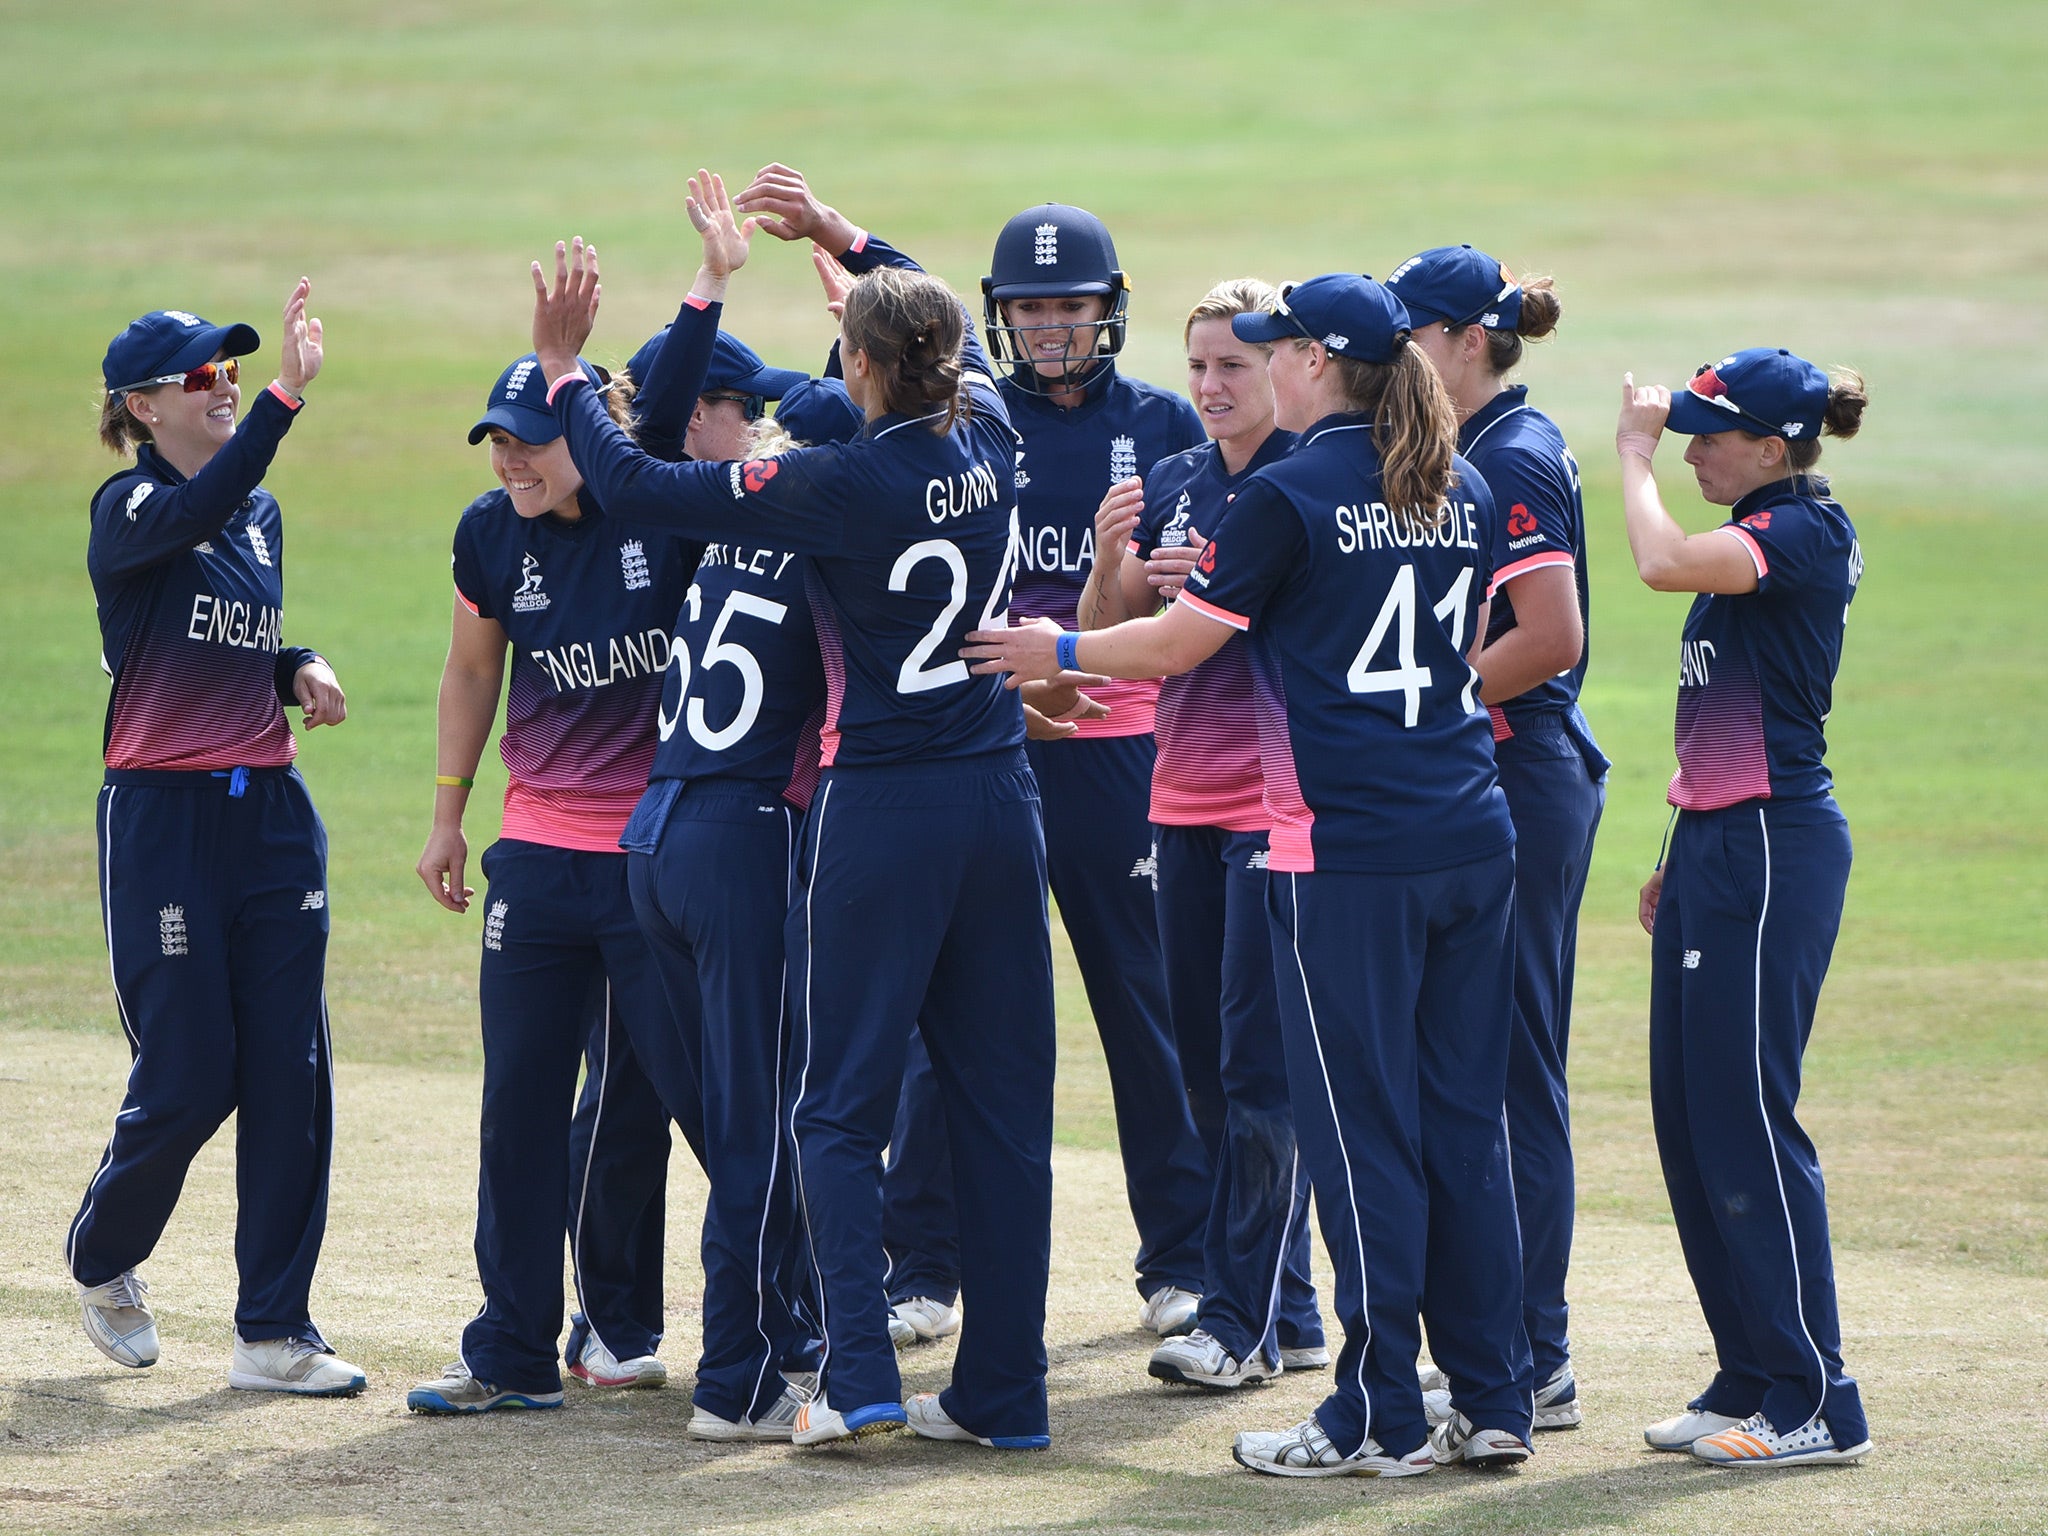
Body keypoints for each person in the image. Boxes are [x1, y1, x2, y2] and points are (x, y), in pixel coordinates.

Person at [529, 164, 1077, 1451]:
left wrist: (564, 374)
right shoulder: (992, 431)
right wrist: (845, 233)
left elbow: (638, 486)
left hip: (883, 806)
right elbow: (937, 318)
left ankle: (862, 1380)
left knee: (833, 1107)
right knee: (1003, 1109)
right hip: (1004, 796)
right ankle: (1005, 1393)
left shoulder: (836, 483)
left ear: (865, 368)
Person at [967, 273, 1535, 1477]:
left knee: (1359, 1138)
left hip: (1344, 858)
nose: (1253, 370)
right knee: (1460, 1130)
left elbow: (1178, 646)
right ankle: (1491, 1399)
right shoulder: (1464, 482)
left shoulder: (1287, 494)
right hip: (1470, 839)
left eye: (1270, 351)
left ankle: (1372, 1415)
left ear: (1315, 365)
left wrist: (1052, 645)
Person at [879, 201, 1213, 1345]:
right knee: (950, 1013)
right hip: (980, 745)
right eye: (1030, 309)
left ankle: (1182, 1261)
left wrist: (1169, 569)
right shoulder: (959, 415)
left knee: (1145, 1006)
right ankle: (920, 1265)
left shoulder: (1166, 423)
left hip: (1123, 754)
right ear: (998, 317)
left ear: (1107, 310)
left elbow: (1204, 596)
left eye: (1070, 307)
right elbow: (882, 314)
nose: (1051, 328)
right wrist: (833, 229)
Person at [405, 219, 713, 1411]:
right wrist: (447, 816)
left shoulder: (657, 513)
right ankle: (513, 1353)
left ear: (584, 436)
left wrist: (705, 284)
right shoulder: (489, 534)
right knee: (517, 1115)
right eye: (497, 444)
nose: (511, 463)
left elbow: (666, 400)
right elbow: (471, 672)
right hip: (533, 864)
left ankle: (770, 1335)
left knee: (703, 1106)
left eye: (532, 440)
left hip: (650, 864)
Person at [69, 282, 366, 1396]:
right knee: (192, 1072)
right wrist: (290, 396)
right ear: (141, 407)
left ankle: (273, 1332)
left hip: (272, 818)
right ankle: (103, 1257)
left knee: (292, 1068)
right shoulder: (128, 512)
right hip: (165, 822)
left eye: (234, 370)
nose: (225, 385)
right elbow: (192, 524)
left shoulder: (259, 513)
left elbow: (236, 633)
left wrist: (296, 667)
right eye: (203, 377)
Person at [614, 176, 859, 1443]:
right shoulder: (814, 523)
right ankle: (743, 1379)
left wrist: (709, 286)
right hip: (743, 833)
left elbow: (647, 441)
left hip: (651, 831)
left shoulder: (696, 529)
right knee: (762, 1120)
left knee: (730, 1114)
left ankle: (782, 1339)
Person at [1616, 348, 1872, 1468]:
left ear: (1772, 447)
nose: (1688, 448)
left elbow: (1660, 561)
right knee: (1689, 1118)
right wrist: (1680, 847)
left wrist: (1627, 457)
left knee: (1746, 1121)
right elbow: (1725, 716)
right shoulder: (1763, 534)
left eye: (1708, 434)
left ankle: (1816, 1397)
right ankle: (1751, 1371)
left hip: (1770, 851)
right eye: (1680, 434)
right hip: (1723, 848)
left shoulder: (1798, 532)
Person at [1072, 278, 1326, 1391]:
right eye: (1199, 367)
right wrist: (1107, 569)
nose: (1212, 386)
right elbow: (1108, 638)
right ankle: (1293, 1306)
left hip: (1273, 811)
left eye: (1234, 363)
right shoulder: (1172, 482)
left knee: (1257, 1071)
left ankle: (1239, 1318)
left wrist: (1205, 600)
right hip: (1176, 803)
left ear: (1286, 367)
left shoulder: (1305, 486)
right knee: (1208, 1076)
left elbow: (1292, 630)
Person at [1391, 245, 1607, 1432]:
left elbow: (1549, 637)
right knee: (1468, 1069)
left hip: (1518, 775)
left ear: (1465, 341)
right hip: (1489, 774)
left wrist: (1422, 706)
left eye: (1409, 335)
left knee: (1513, 1073)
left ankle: (1536, 1353)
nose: (1390, 358)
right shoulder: (1468, 449)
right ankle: (1503, 1342)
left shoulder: (1512, 455)